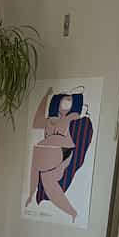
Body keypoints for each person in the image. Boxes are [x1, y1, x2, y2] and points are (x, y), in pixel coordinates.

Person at [25, 88, 82, 222]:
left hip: (63, 151)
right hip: (45, 151)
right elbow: (36, 122)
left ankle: (72, 212)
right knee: (46, 180)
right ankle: (72, 212)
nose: (66, 103)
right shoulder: (51, 119)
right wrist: (45, 96)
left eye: (69, 100)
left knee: (46, 178)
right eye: (64, 100)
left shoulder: (73, 117)